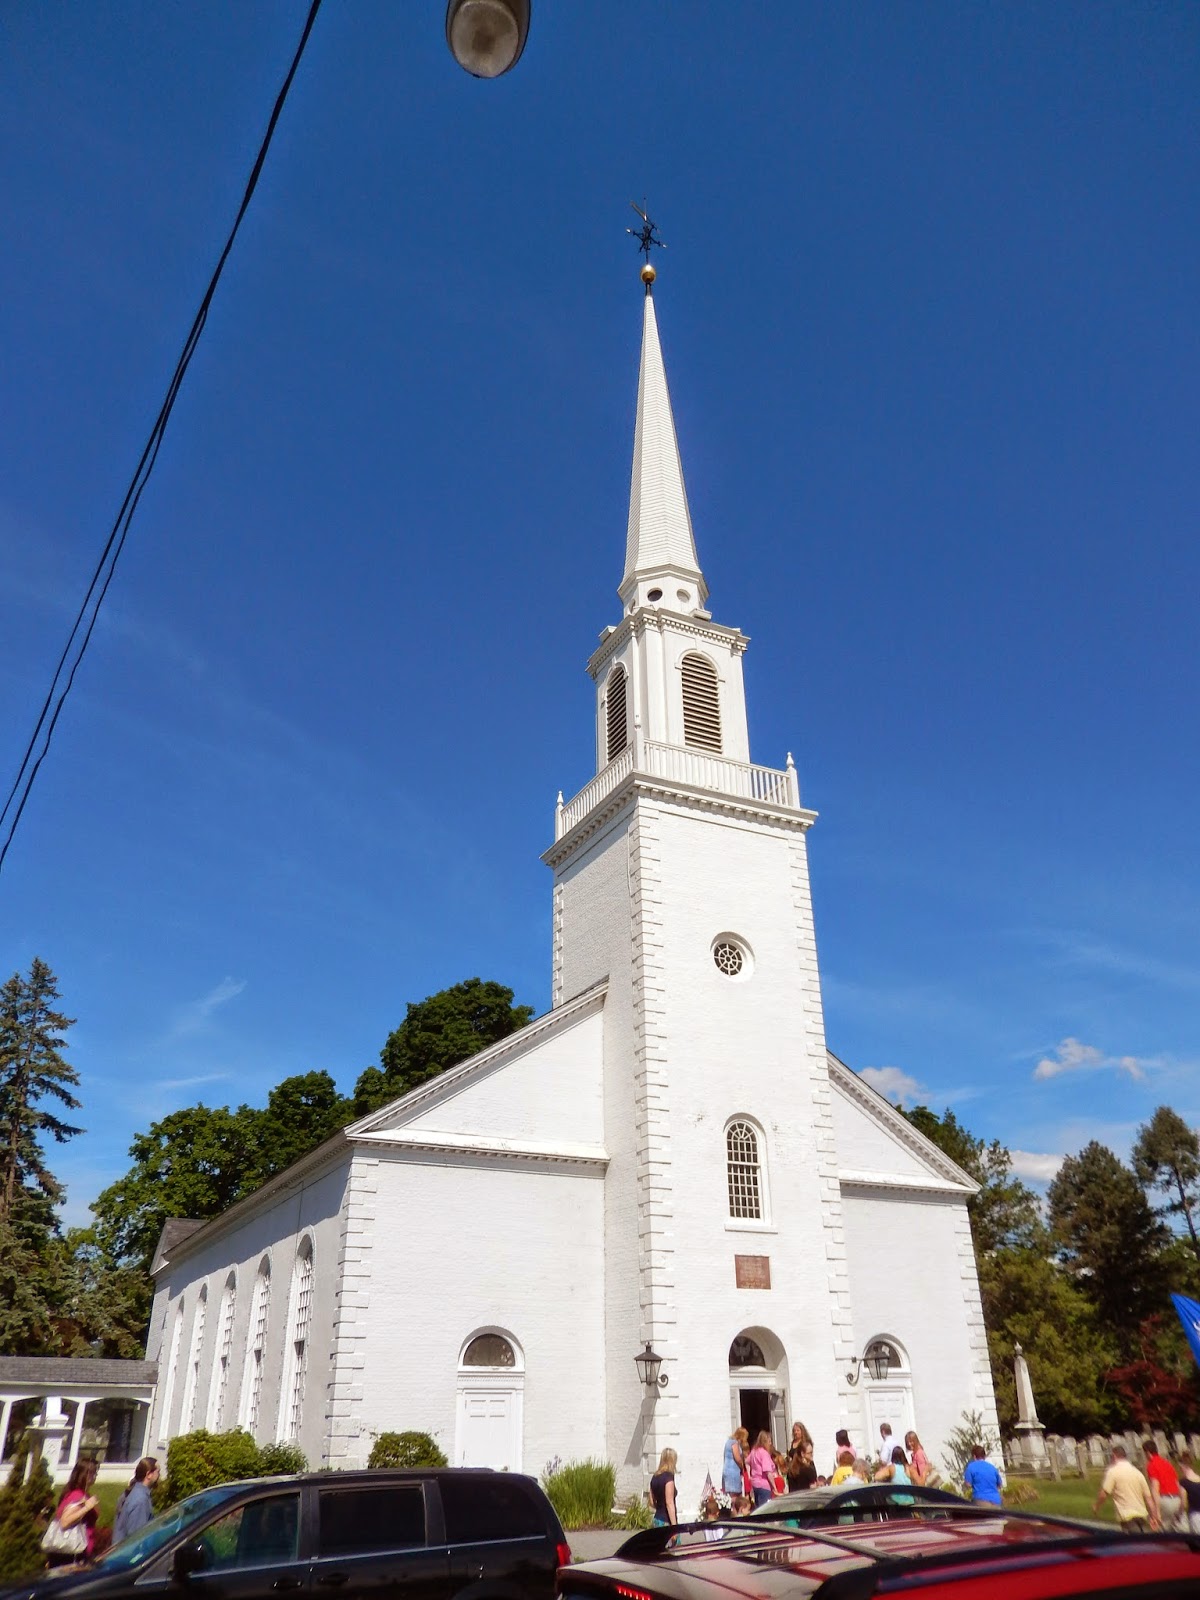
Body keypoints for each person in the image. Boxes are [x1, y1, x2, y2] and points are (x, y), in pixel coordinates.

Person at [47, 1460, 99, 1568]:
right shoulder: (77, 1495)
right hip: (73, 1554)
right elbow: (64, 1522)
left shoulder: (80, 1494)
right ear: (84, 1475)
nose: (95, 1476)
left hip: (80, 1551)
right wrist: (87, 1507)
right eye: (93, 1473)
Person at [1093, 1445, 1155, 1533]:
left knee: (1132, 1544)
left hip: (1127, 1515)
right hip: (1142, 1514)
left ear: (1114, 1456)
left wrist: (1096, 1506)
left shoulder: (1113, 1471)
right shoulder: (1138, 1473)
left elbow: (1104, 1493)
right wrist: (1153, 1516)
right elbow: (1148, 1498)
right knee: (1144, 1543)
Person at [112, 1457, 160, 1546]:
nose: (159, 1476)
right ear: (149, 1474)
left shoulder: (130, 1492)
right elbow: (137, 1538)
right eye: (158, 1472)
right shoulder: (140, 1500)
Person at [1142, 1438, 1183, 1532]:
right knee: (1173, 1529)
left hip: (1164, 1500)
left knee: (1156, 1527)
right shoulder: (1167, 1463)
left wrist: (1157, 1512)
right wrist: (1181, 1502)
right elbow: (1177, 1483)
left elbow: (1155, 1487)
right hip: (1176, 1499)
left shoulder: (1152, 1465)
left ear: (1148, 1453)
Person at [746, 1431, 776, 1508]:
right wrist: (774, 1487)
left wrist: (750, 1475)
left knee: (758, 1508)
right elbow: (768, 1472)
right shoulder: (764, 1453)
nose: (770, 1444)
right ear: (765, 1441)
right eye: (769, 1441)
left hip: (755, 1484)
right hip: (764, 1485)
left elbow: (746, 1461)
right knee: (765, 1509)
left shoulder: (754, 1451)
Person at [650, 1448, 678, 1526]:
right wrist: (674, 1525)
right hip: (666, 1520)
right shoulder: (668, 1478)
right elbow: (669, 1503)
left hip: (657, 1518)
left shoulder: (655, 1477)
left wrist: (659, 1508)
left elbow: (652, 1501)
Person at [786, 1422, 816, 1492]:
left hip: (803, 1464)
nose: (796, 1432)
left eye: (798, 1430)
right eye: (794, 1430)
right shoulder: (793, 1442)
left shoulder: (805, 1442)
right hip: (794, 1465)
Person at [722, 1428, 749, 1498]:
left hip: (728, 1471)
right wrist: (742, 1466)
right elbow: (737, 1458)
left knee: (733, 1495)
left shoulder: (728, 1442)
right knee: (735, 1496)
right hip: (733, 1473)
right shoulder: (734, 1443)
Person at [1178, 1453, 1200, 1533]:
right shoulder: (1199, 1478)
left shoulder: (1184, 1482)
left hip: (1195, 1516)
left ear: (1182, 1466)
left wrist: (1179, 1514)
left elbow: (1184, 1503)